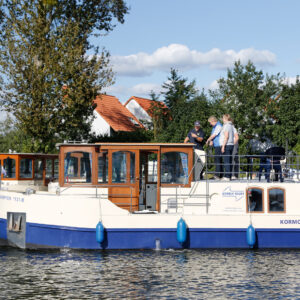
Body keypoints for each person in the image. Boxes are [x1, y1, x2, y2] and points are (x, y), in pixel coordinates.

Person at [219, 114, 234, 181]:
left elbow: (226, 136)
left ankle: (227, 176)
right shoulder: (231, 125)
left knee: (226, 161)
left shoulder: (226, 126)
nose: (222, 120)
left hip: (227, 145)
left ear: (225, 119)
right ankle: (229, 175)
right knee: (229, 160)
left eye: (222, 118)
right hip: (231, 144)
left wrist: (223, 146)